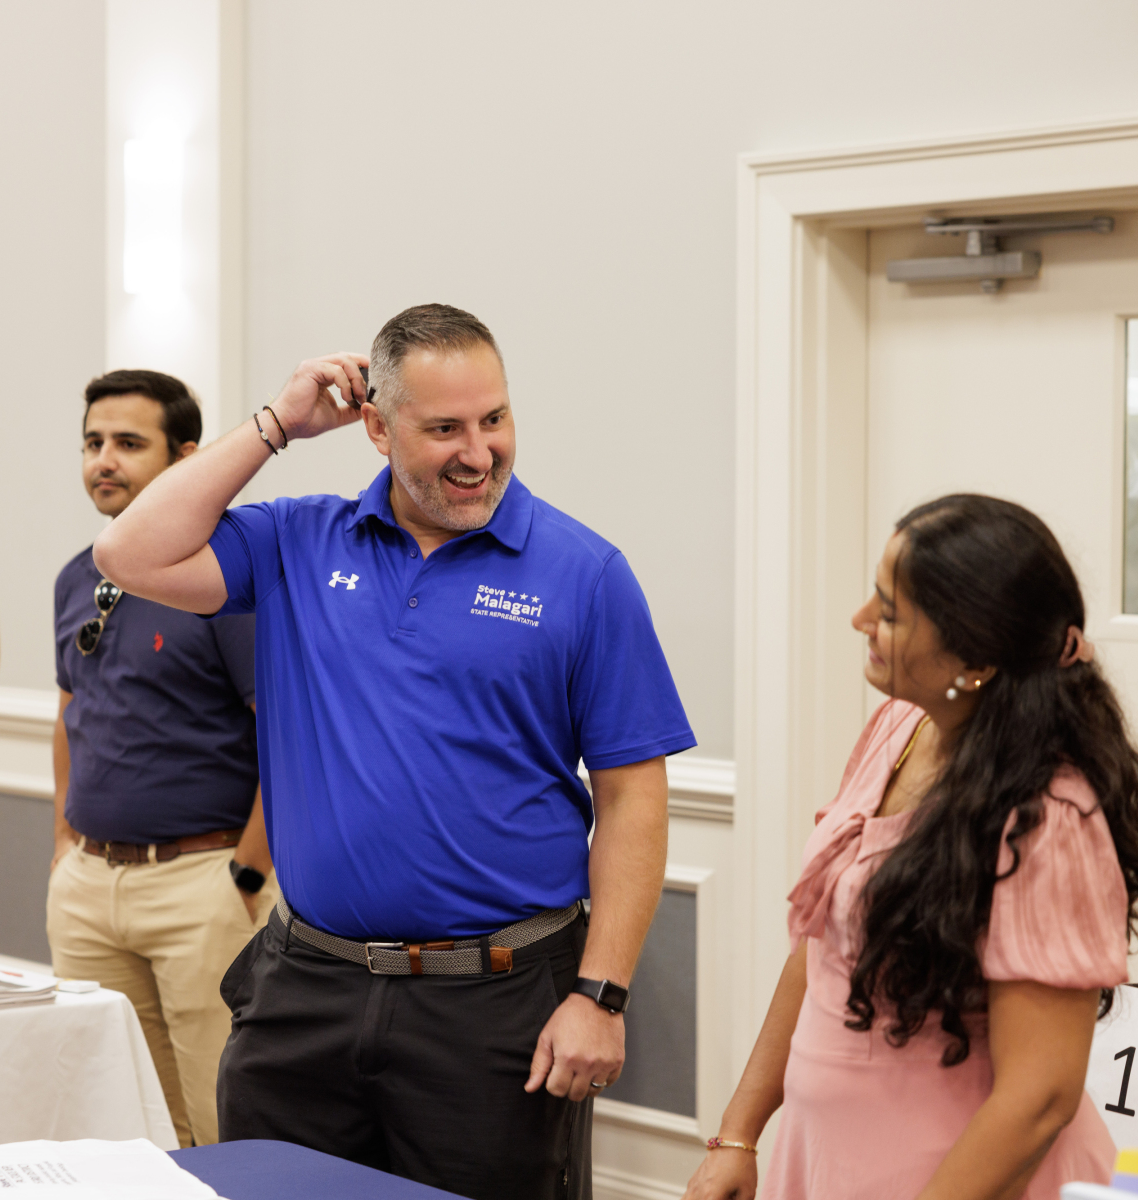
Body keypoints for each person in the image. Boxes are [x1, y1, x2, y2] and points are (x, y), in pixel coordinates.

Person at [92, 304, 696, 1200]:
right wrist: (278, 423)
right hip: (305, 989)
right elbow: (127, 552)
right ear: (376, 427)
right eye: (444, 428)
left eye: (495, 419)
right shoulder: (299, 541)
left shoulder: (585, 573)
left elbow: (633, 798)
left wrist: (600, 996)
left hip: (495, 1004)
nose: (479, 452)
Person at [682, 494, 1138, 1200]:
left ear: (972, 659)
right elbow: (825, 946)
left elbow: (1039, 1101)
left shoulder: (1048, 819)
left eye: (889, 612)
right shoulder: (898, 727)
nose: (860, 619)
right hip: (832, 1160)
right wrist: (740, 1132)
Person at [47, 368, 277, 1149]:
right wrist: (62, 846)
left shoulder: (220, 579)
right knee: (122, 1123)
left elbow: (285, 735)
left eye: (128, 443)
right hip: (87, 888)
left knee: (219, 1121)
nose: (104, 460)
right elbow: (69, 713)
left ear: (185, 457)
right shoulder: (77, 577)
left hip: (201, 886)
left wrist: (247, 877)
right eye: (92, 443)